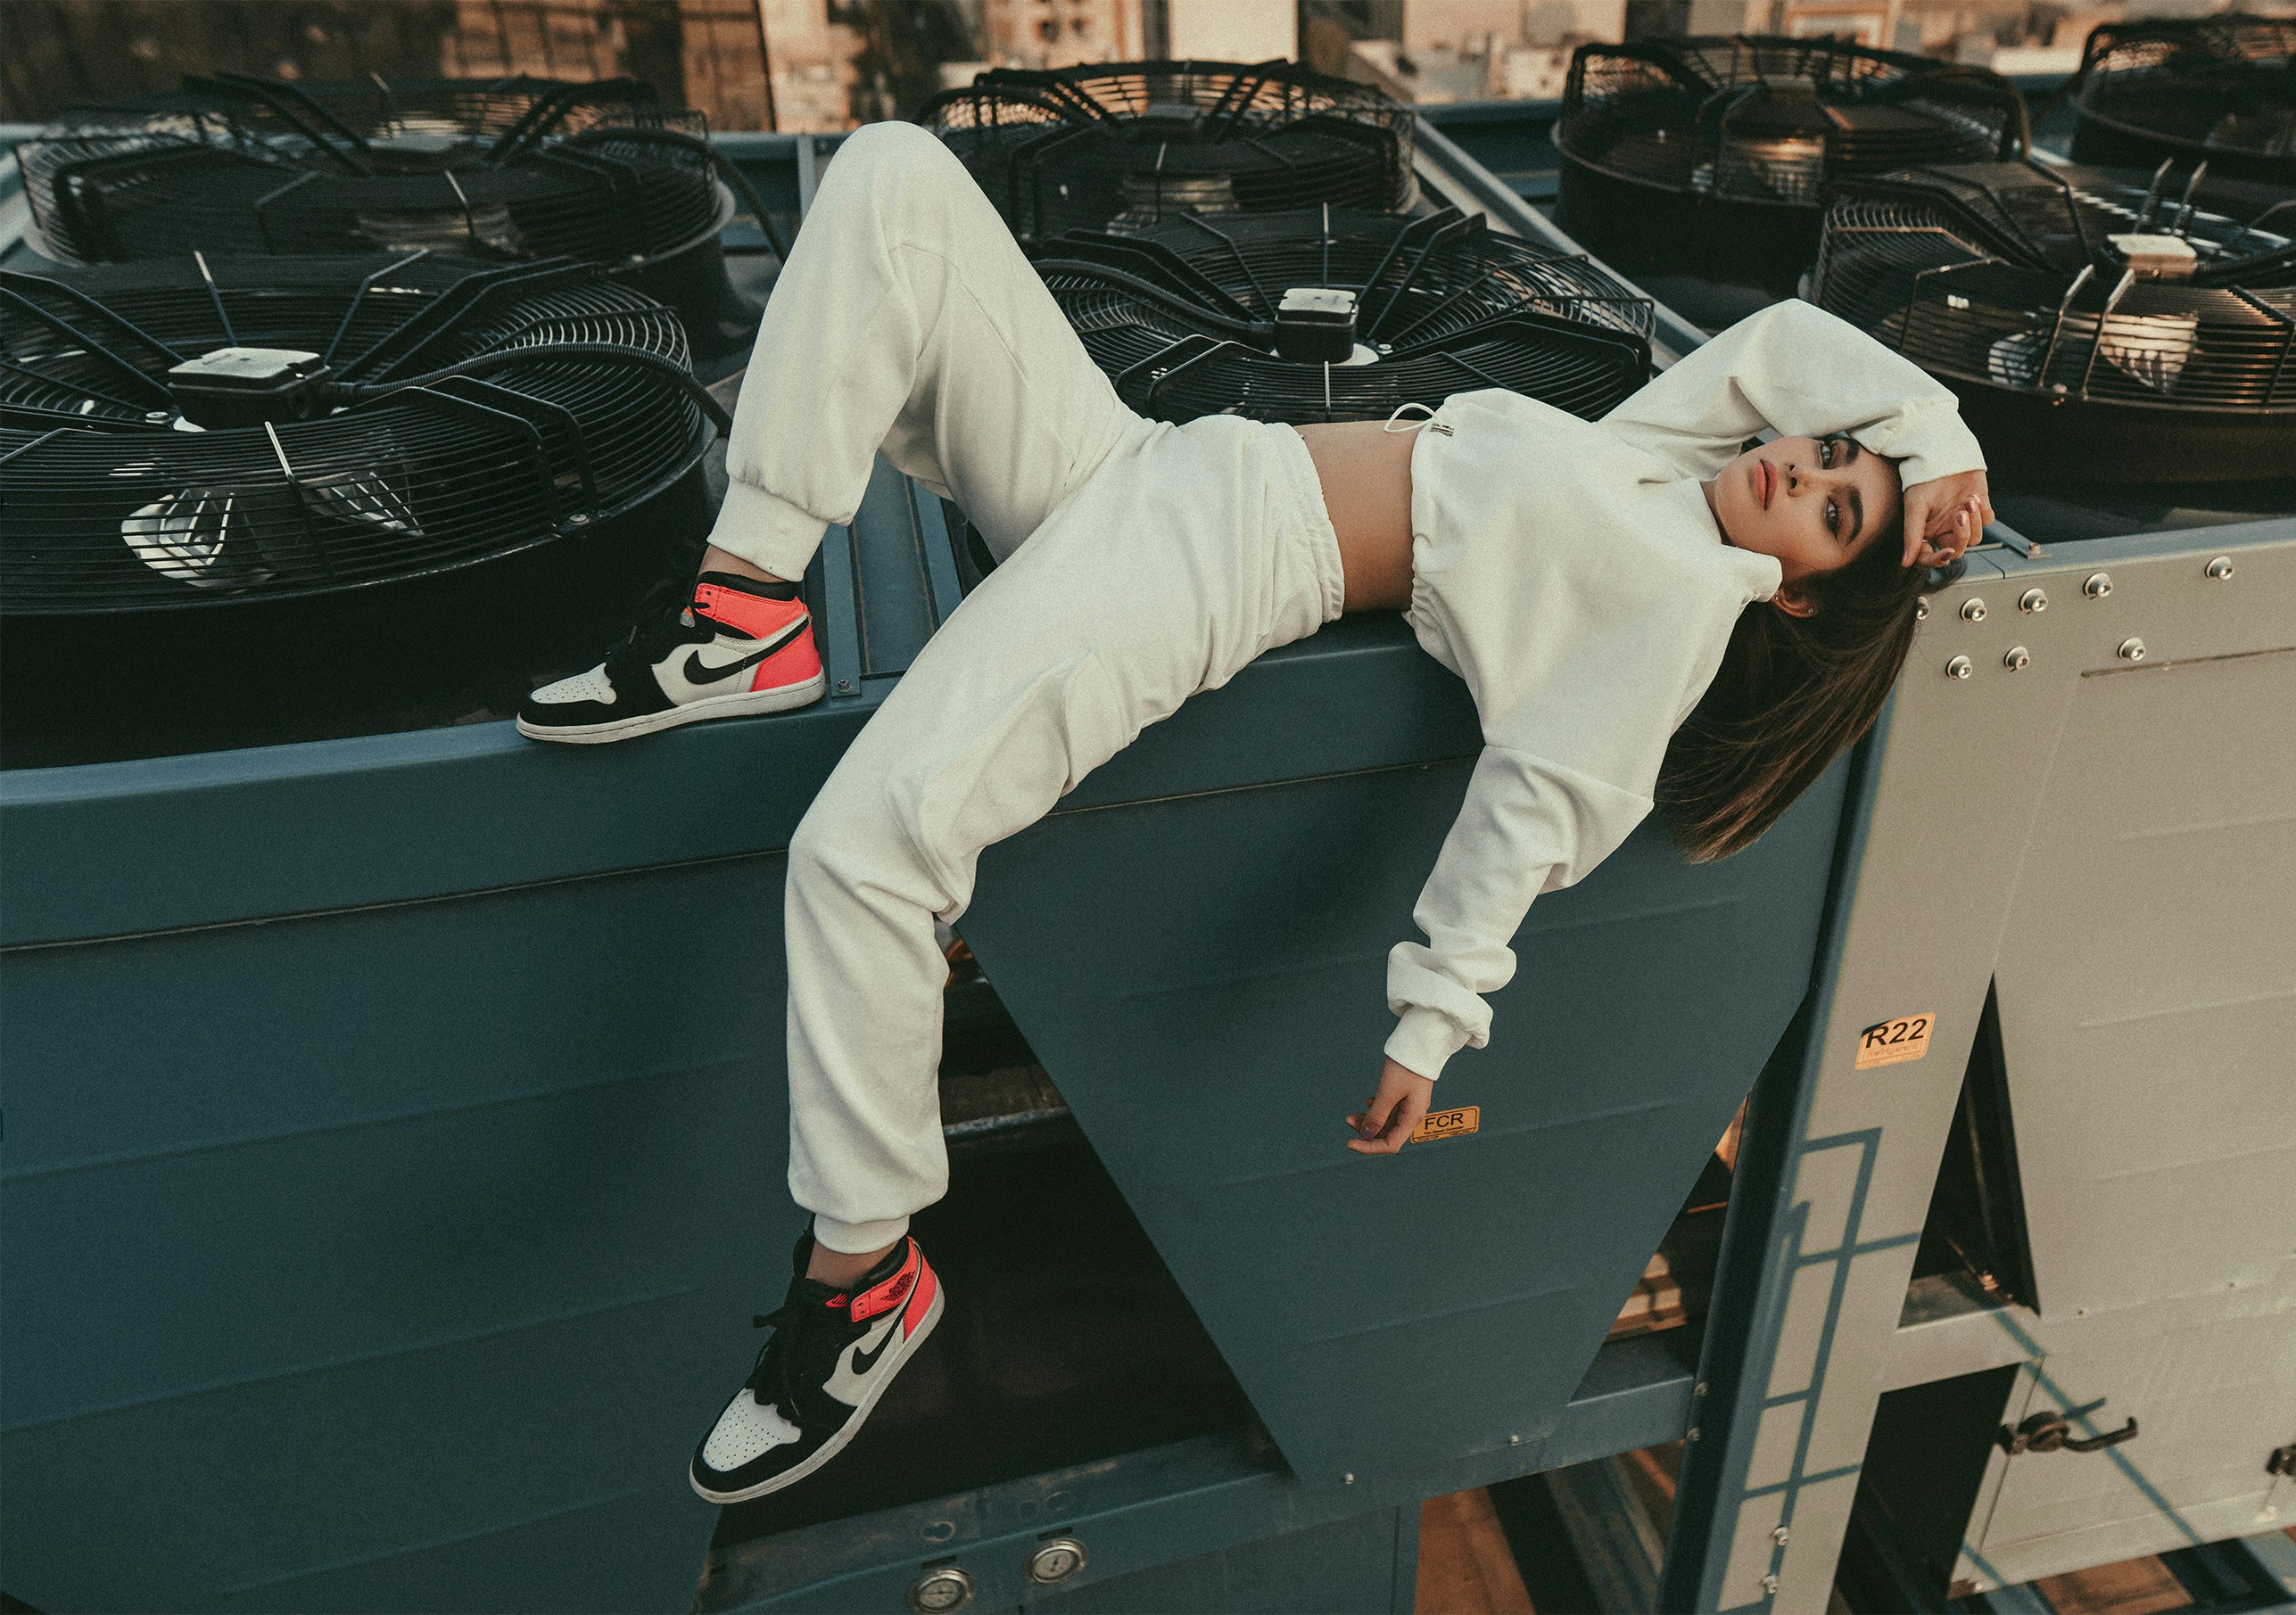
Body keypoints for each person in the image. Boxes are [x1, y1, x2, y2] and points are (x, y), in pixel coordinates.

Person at [516, 121, 1991, 1504]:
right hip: (1155, 460)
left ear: (1797, 586)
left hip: (1216, 563)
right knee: (895, 175)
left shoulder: (1676, 598)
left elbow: (1539, 806)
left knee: (863, 850)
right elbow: (1792, 352)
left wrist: (1432, 1019)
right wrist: (1932, 442)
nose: (1803, 464)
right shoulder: (1664, 462)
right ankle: (745, 600)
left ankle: (865, 1274)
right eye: (1827, 456)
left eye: (1834, 506)